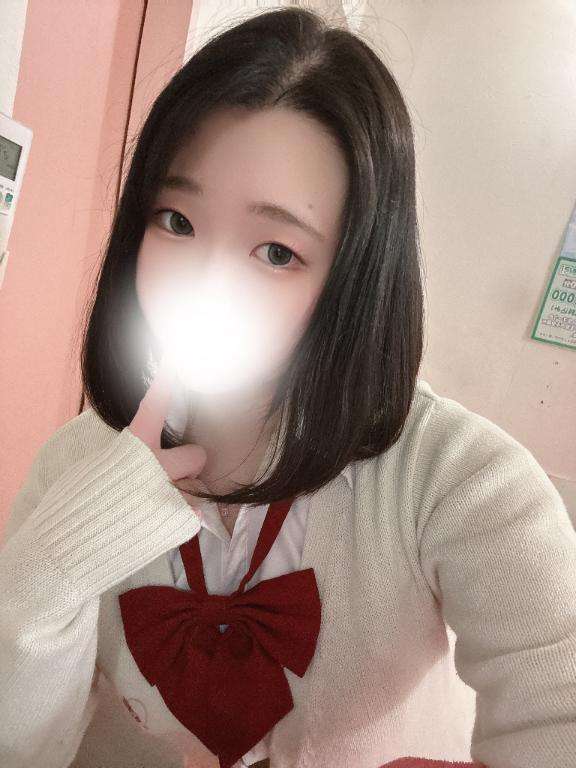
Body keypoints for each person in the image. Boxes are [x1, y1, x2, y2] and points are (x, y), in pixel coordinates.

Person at [2, 7, 576, 768]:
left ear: (352, 279)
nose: (204, 283)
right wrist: (50, 575)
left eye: (276, 250)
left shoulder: (460, 481)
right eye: (176, 220)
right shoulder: (73, 465)